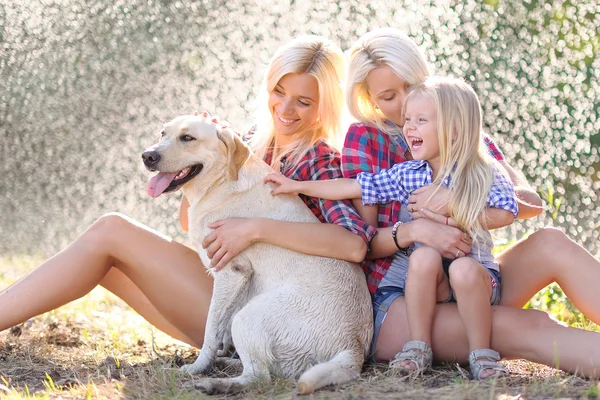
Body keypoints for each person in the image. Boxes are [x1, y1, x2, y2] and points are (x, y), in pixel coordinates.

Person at [0, 36, 376, 351]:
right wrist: (195, 160)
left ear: (325, 105)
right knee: (107, 265)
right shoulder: (249, 141)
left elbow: (353, 244)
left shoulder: (321, 161)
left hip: (264, 312)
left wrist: (254, 227)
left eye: (303, 101)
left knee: (110, 232)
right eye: (279, 91)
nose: (286, 107)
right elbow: (189, 224)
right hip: (226, 288)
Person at [341, 27, 600, 378]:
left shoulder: (457, 127)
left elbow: (530, 203)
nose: (405, 104)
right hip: (403, 300)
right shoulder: (364, 137)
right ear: (370, 99)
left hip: (467, 279)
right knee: (524, 326)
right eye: (389, 96)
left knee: (551, 242)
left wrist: (460, 201)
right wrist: (416, 229)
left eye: (411, 85)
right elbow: (362, 246)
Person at [265, 75, 518, 379]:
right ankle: (418, 346)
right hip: (434, 283)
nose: (408, 127)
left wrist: (453, 209)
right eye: (408, 119)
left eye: (420, 120)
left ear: (453, 129)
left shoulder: (482, 171)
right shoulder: (412, 174)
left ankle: (482, 355)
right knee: (422, 257)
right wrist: (298, 185)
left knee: (463, 268)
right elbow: (356, 186)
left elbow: (506, 213)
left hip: (475, 280)